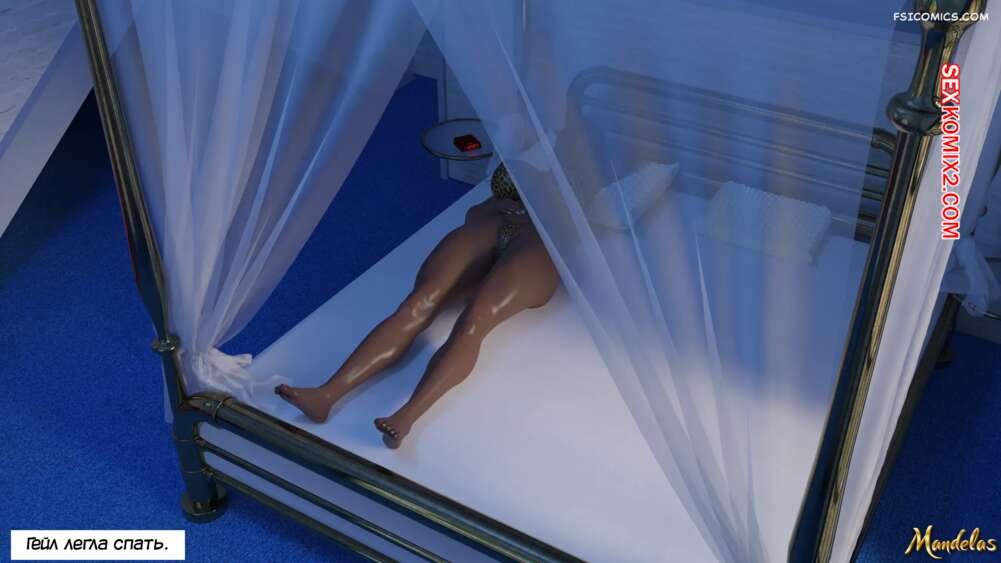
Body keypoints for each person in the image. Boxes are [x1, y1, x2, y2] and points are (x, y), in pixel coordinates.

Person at [276, 163, 559, 448]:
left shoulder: (584, 166)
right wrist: (494, 208)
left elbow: (579, 235)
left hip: (540, 244)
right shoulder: (526, 144)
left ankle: (405, 417)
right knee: (419, 301)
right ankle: (326, 395)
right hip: (493, 223)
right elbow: (474, 211)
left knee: (474, 320)